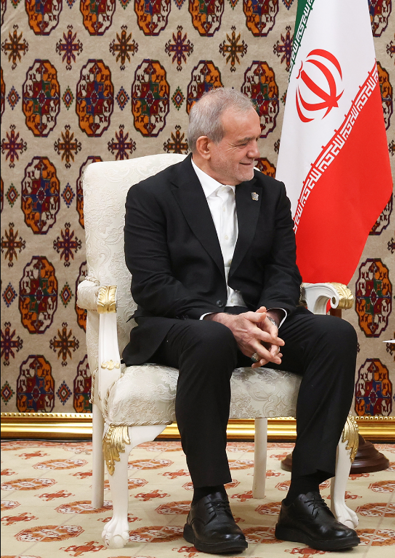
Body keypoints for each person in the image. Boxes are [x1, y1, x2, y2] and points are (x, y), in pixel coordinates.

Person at [122, 88, 360, 554]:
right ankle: (208, 501)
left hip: (258, 315)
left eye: (257, 139)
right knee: (211, 338)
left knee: (335, 335)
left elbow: (283, 271)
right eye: (243, 143)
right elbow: (152, 285)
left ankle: (304, 498)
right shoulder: (151, 196)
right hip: (183, 323)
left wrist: (269, 317)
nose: (256, 151)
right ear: (205, 146)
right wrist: (220, 319)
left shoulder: (269, 194)